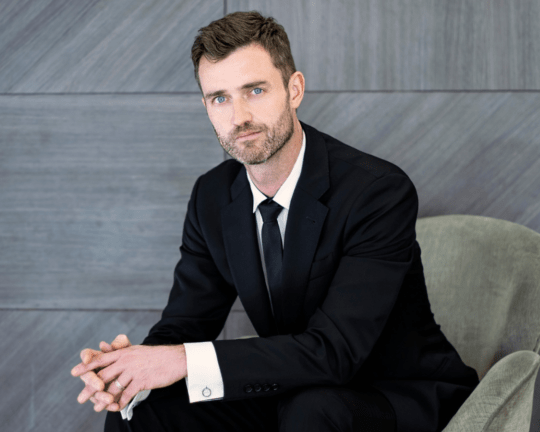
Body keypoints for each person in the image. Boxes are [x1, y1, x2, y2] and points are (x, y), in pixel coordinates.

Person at [72, 11, 479, 432]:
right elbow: (187, 323)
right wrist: (132, 370)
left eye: (255, 90)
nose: (239, 116)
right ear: (206, 107)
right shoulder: (212, 196)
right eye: (220, 98)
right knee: (145, 412)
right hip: (295, 388)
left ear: (294, 89)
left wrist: (181, 360)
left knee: (313, 411)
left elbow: (336, 351)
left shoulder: (377, 193)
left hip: (395, 393)